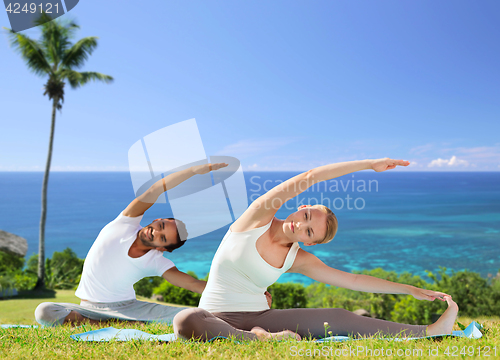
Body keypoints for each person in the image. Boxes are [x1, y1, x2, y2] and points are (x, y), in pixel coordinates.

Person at [173, 158, 459, 341]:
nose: (301, 226)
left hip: (261, 316)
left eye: (309, 232)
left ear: (309, 242)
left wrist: (407, 288)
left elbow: (355, 281)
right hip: (214, 316)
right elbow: (310, 176)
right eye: (306, 216)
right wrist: (369, 165)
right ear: (302, 207)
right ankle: (259, 339)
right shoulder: (257, 217)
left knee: (338, 316)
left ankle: (431, 332)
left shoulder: (298, 258)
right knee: (185, 319)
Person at [35, 162, 229, 327]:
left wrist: (243, 293)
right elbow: (156, 189)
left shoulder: (156, 261)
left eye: (162, 238)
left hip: (129, 308)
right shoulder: (125, 223)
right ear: (157, 219)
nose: (155, 232)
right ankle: (117, 323)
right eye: (160, 226)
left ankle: (120, 322)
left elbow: (194, 284)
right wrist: (193, 171)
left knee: (191, 316)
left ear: (162, 249)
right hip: (87, 307)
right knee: (44, 311)